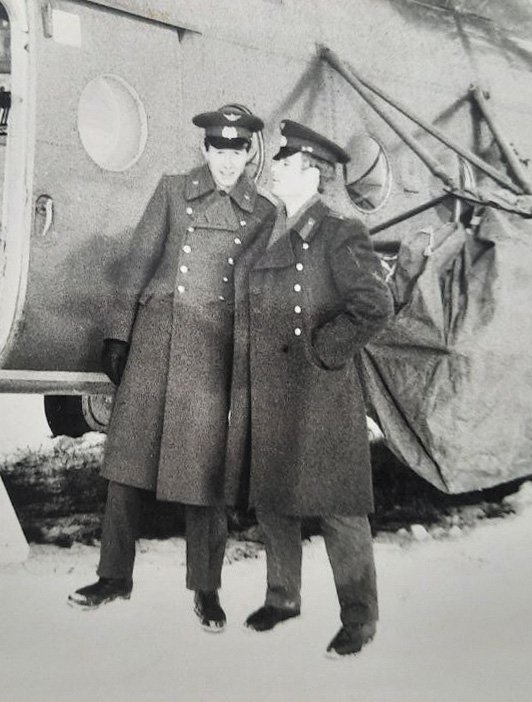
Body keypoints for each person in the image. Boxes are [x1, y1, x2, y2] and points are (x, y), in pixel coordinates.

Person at [69, 106, 277, 633]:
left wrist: (248, 363)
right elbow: (138, 261)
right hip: (157, 338)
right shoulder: (171, 190)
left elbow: (256, 293)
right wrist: (119, 332)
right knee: (125, 468)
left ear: (248, 154)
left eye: (237, 152)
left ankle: (206, 590)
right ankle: (113, 577)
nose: (227, 162)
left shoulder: (263, 213)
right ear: (205, 150)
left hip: (210, 349)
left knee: (205, 476)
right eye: (218, 151)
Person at [225, 120, 393, 656]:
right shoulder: (269, 228)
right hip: (271, 387)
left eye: (284, 162)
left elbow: (375, 305)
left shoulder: (340, 233)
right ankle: (282, 598)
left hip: (319, 392)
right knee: (273, 499)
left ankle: (359, 618)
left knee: (339, 507)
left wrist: (325, 349)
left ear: (312, 173)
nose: (273, 168)